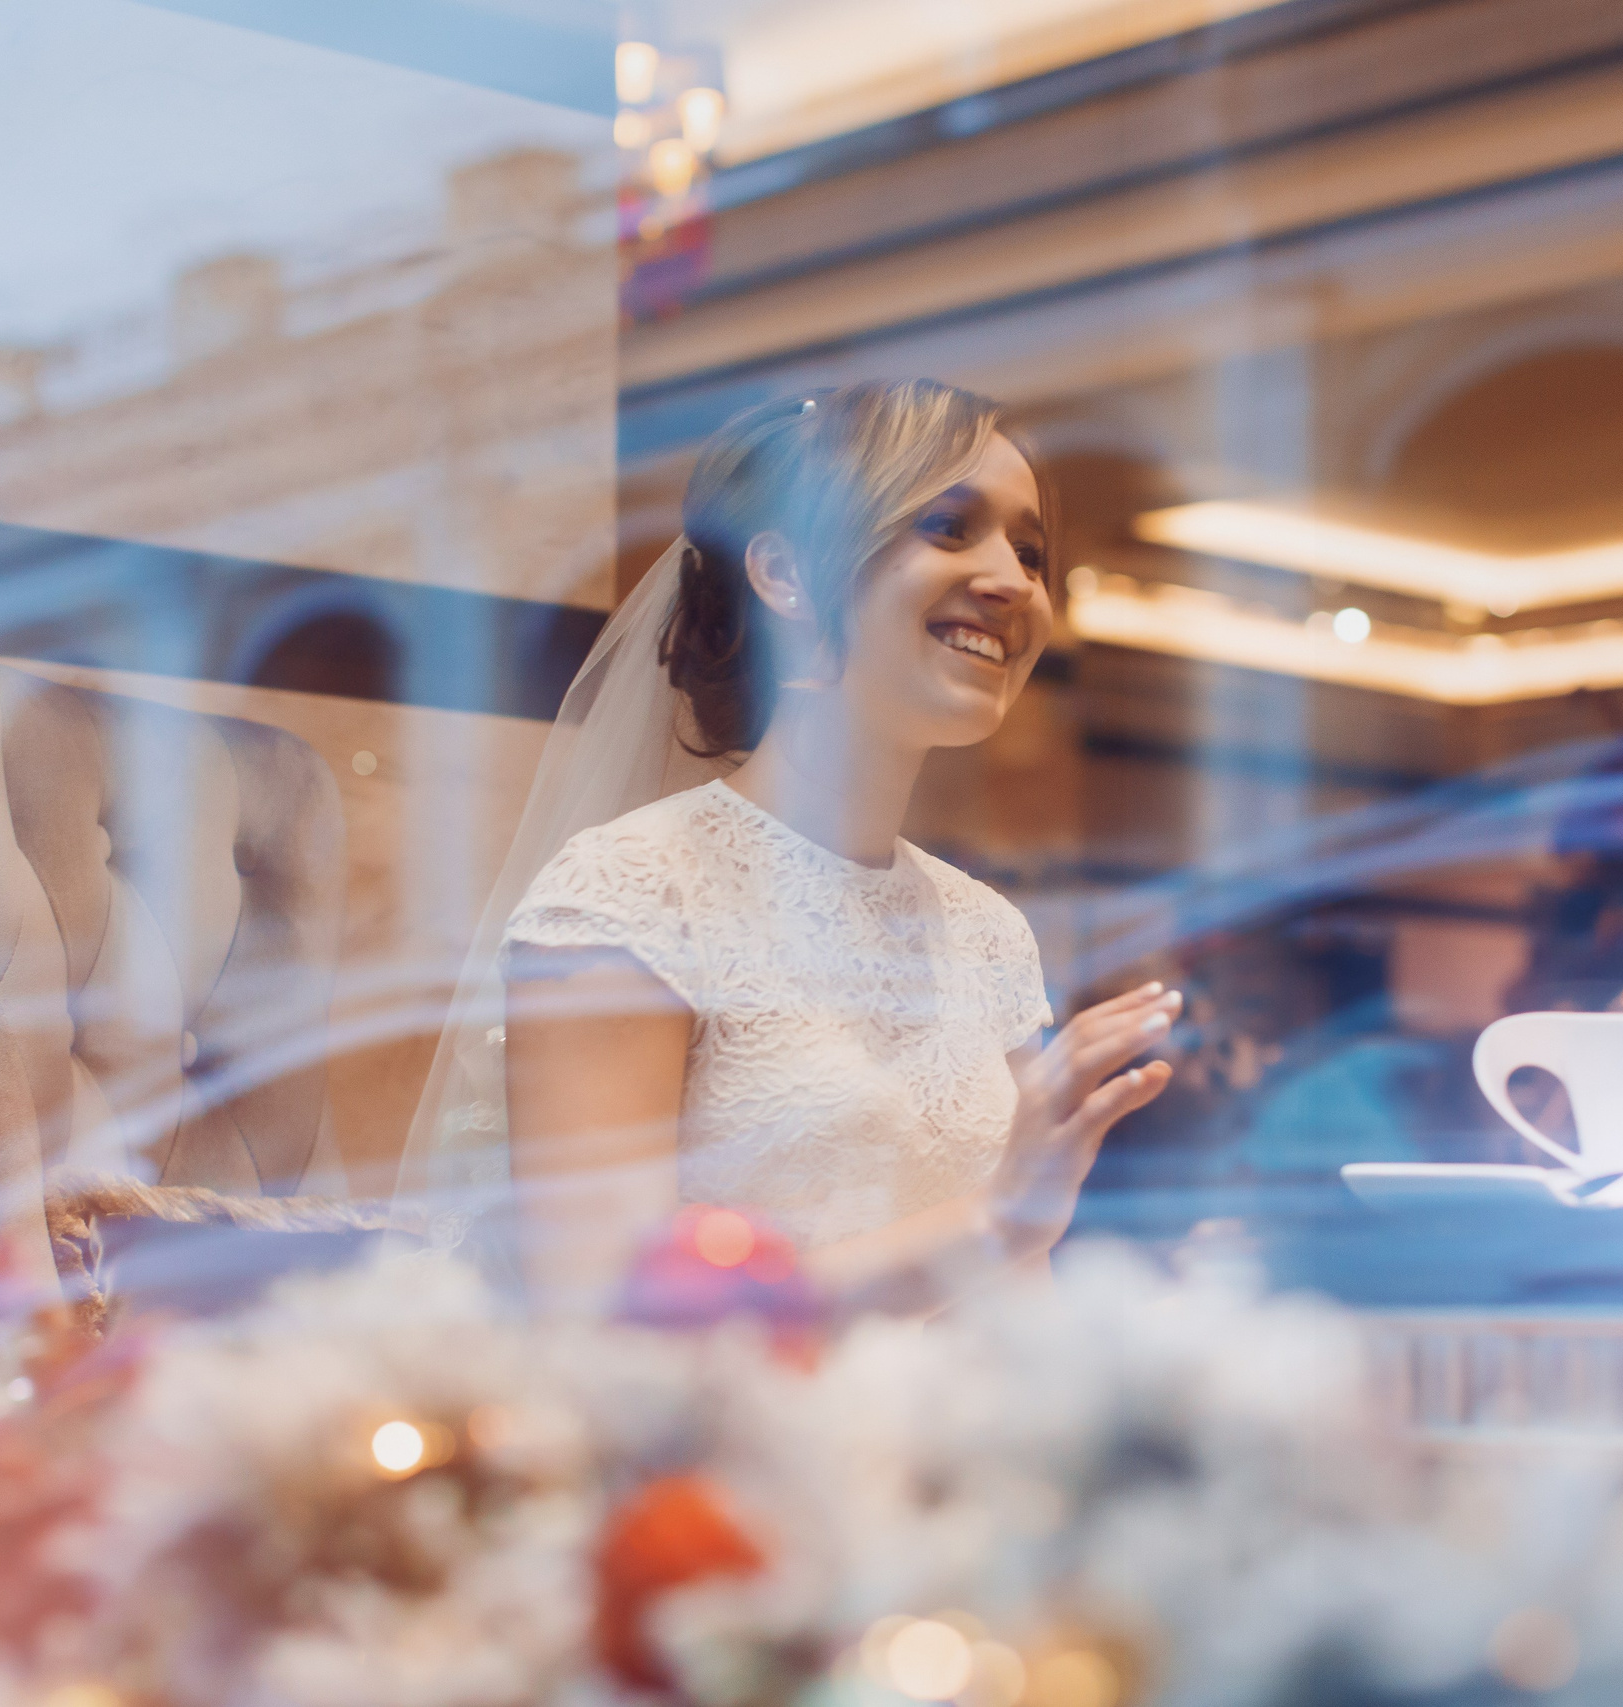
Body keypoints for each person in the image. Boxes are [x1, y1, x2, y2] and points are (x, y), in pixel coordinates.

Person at [403, 381, 1179, 1306]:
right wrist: (992, 1217)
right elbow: (603, 1318)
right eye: (947, 527)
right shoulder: (633, 891)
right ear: (785, 574)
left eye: (1030, 549)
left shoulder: (989, 933)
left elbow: (1024, 1286)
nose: (1013, 581)